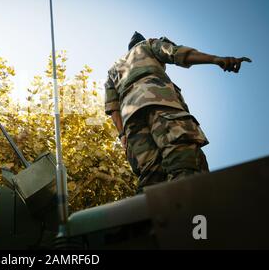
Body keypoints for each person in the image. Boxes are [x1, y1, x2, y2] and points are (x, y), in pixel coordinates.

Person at [105, 31, 251, 193]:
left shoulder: (113, 69)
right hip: (161, 104)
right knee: (184, 163)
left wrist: (123, 135)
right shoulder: (149, 45)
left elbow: (113, 107)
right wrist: (216, 59)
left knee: (151, 179)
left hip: (131, 121)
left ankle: (150, 217)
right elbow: (176, 53)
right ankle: (192, 214)